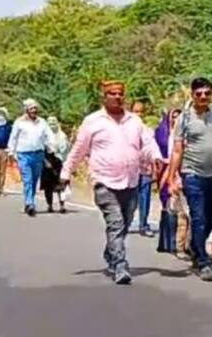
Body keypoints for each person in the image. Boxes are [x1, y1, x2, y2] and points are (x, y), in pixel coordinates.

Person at [60, 80, 162, 285]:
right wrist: (66, 173)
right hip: (104, 181)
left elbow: (148, 143)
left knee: (124, 222)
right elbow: (79, 149)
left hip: (131, 181)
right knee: (115, 223)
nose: (117, 97)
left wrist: (156, 157)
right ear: (104, 97)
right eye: (112, 94)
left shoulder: (134, 121)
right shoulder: (93, 122)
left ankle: (111, 252)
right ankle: (120, 265)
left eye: (120, 94)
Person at [168, 77, 212, 282]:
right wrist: (172, 176)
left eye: (207, 93)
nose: (203, 97)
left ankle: (195, 247)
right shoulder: (185, 119)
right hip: (192, 174)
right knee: (197, 216)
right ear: (193, 95)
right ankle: (203, 261)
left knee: (211, 217)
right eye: (199, 94)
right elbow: (178, 150)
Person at [8, 99, 53, 217]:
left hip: (38, 154)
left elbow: (48, 135)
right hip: (23, 154)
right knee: (27, 179)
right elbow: (13, 137)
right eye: (31, 108)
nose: (34, 111)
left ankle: (29, 201)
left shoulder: (42, 122)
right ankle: (30, 203)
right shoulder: (19, 122)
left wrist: (51, 146)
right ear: (26, 110)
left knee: (34, 180)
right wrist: (11, 152)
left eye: (35, 108)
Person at [155, 108, 186, 255]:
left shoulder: (184, 133)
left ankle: (175, 243)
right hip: (163, 169)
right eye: (173, 117)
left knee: (176, 207)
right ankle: (165, 242)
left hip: (178, 169)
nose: (175, 119)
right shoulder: (162, 132)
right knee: (166, 205)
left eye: (178, 117)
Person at [131, 101, 158, 237]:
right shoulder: (124, 130)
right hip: (129, 171)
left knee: (145, 199)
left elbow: (153, 150)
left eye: (141, 112)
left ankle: (144, 224)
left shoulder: (148, 131)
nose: (138, 114)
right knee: (129, 200)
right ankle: (124, 223)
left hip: (145, 170)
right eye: (136, 111)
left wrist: (154, 170)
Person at [41, 116, 70, 213]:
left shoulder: (62, 136)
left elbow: (66, 150)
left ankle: (62, 205)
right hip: (47, 162)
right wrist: (45, 161)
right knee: (48, 186)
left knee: (61, 184)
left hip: (60, 162)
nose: (52, 124)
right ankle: (50, 205)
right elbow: (41, 149)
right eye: (49, 122)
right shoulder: (44, 136)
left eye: (54, 122)